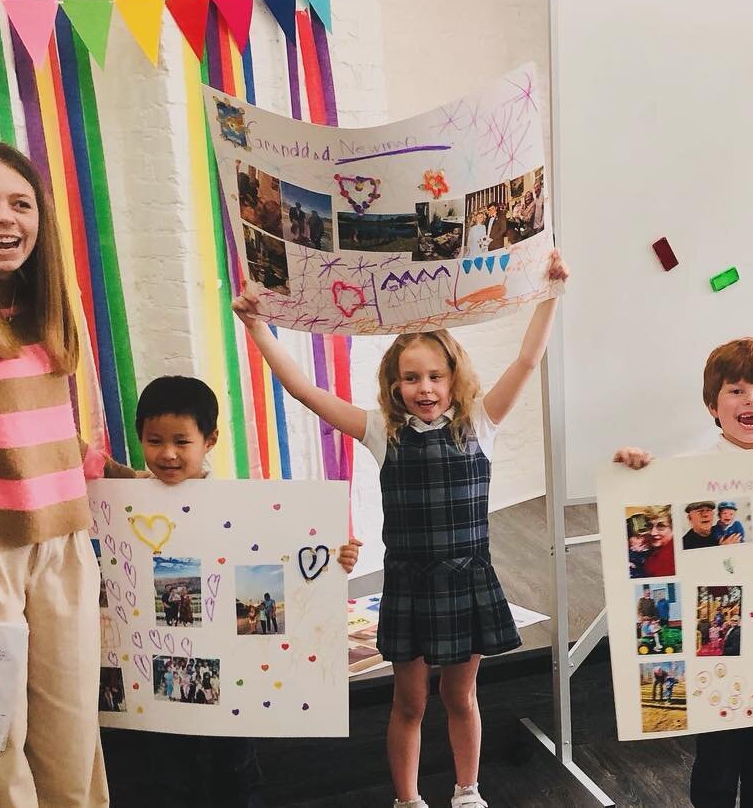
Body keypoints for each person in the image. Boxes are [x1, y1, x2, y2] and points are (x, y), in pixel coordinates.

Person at [232, 250, 570, 808]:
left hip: (466, 582)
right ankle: (407, 799)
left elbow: (528, 361)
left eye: (436, 376)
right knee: (409, 702)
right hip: (410, 586)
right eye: (411, 378)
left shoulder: (480, 423)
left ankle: (468, 789)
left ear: (454, 378)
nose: (426, 387)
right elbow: (303, 390)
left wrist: (551, 294)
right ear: (394, 385)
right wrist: (258, 327)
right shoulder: (380, 434)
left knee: (461, 697)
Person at [0, 142, 146, 807]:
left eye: (19, 202)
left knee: (71, 733)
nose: (3, 217)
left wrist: (131, 479)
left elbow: (52, 434)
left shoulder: (48, 305)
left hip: (64, 546)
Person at [613, 338, 753, 808]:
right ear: (711, 406)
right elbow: (650, 543)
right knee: (717, 765)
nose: (751, 402)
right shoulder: (686, 473)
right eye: (736, 391)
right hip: (712, 647)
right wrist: (633, 471)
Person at [132, 374, 269, 806]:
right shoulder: (126, 500)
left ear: (209, 440)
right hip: (159, 672)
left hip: (230, 667)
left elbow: (276, 558)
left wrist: (334, 556)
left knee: (236, 768)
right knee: (169, 775)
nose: (167, 454)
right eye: (154, 440)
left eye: (181, 441)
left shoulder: (237, 507)